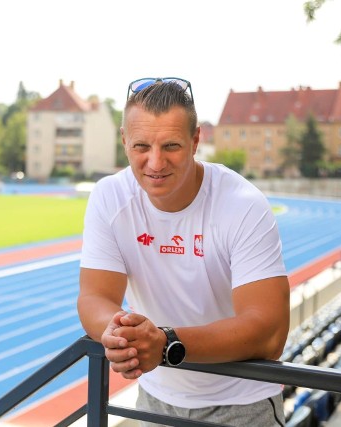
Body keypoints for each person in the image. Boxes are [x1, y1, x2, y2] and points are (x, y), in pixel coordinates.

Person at [77, 77, 290, 426]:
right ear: (124, 142)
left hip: (241, 403)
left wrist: (165, 343)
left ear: (195, 141)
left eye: (171, 146)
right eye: (141, 146)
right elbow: (94, 297)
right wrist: (115, 332)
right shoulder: (109, 196)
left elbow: (270, 333)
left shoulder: (242, 205)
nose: (155, 163)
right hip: (155, 398)